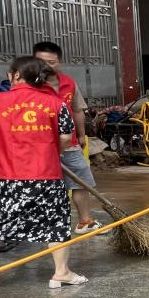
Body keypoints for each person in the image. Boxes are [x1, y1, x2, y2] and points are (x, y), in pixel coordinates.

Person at [0, 56, 88, 291]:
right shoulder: (56, 103)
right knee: (56, 222)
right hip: (44, 173)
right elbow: (66, 137)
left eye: (10, 73)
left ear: (16, 75)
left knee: (3, 222)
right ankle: (61, 273)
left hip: (6, 174)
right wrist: (51, 153)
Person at [32, 42, 103, 235]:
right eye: (40, 61)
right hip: (39, 146)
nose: (46, 65)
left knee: (81, 180)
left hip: (69, 144)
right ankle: (45, 225)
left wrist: (81, 135)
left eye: (51, 61)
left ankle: (84, 222)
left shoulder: (69, 83)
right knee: (45, 186)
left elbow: (78, 110)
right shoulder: (29, 86)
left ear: (59, 62)